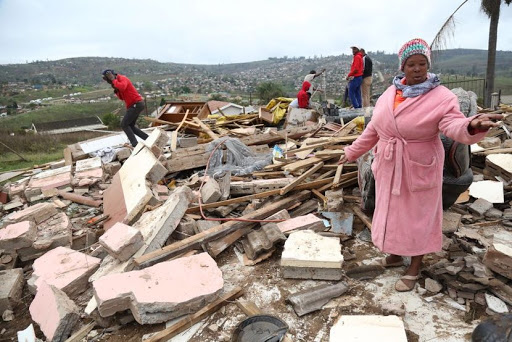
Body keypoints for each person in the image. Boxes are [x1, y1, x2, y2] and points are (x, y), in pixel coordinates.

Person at [338, 38, 503, 292]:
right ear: (402, 67)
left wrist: (472, 125)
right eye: (411, 64)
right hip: (390, 166)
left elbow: (452, 124)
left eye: (422, 64)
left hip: (418, 165)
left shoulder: (441, 97)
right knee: (392, 213)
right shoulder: (390, 94)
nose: (417, 69)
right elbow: (374, 129)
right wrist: (351, 151)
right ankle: (394, 254)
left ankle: (414, 268)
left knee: (418, 219)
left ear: (428, 64)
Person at [102, 69, 148, 147]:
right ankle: (148, 139)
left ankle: (135, 144)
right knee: (131, 126)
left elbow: (123, 87)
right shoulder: (117, 83)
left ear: (112, 76)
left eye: (108, 79)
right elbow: (122, 98)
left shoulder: (122, 78)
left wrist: (113, 80)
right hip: (134, 104)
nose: (109, 81)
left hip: (136, 103)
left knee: (124, 124)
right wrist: (117, 91)